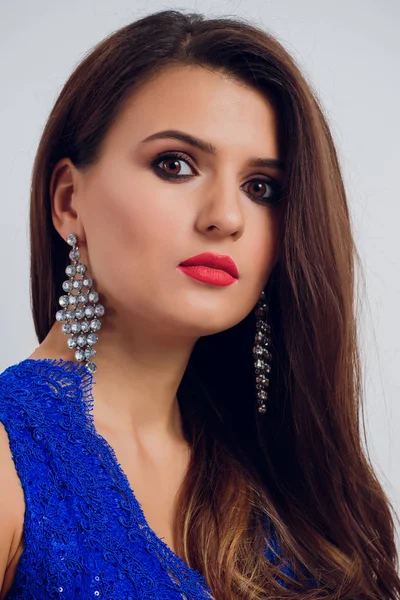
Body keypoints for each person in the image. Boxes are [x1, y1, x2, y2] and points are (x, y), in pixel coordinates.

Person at [0, 8, 399, 600]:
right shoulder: (12, 462)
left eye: (260, 188)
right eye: (175, 165)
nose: (226, 218)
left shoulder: (282, 483)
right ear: (68, 201)